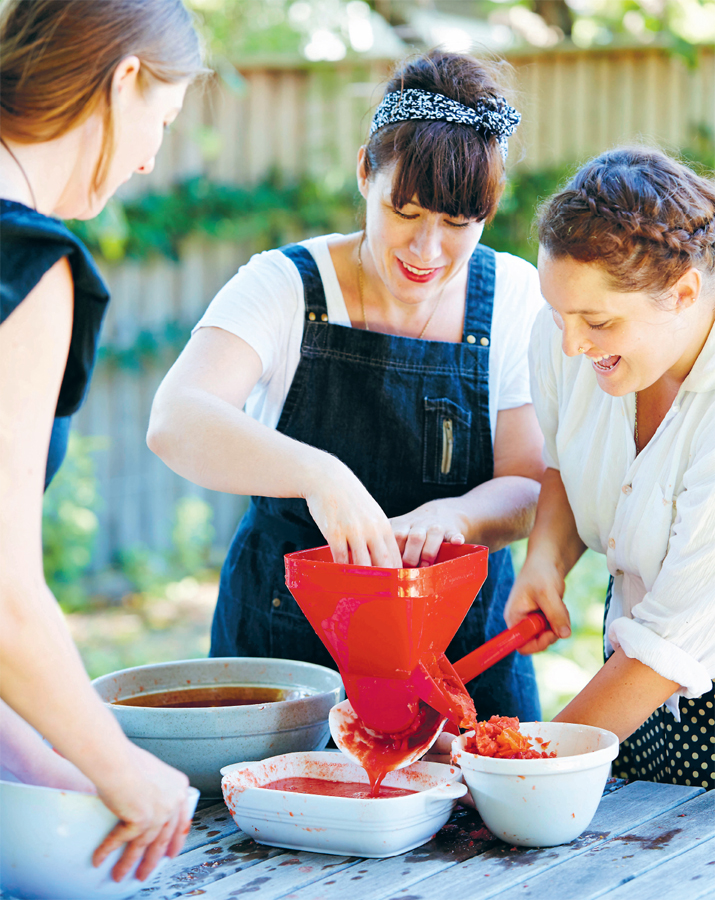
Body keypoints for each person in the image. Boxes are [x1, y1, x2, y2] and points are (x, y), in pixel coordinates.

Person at [148, 50, 546, 722]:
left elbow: (528, 485)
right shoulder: (282, 286)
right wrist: (318, 475)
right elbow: (176, 420)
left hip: (461, 655)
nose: (426, 252)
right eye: (406, 212)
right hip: (286, 646)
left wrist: (456, 517)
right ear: (365, 171)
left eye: (457, 225)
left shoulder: (511, 297)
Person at [0, 0, 205, 882]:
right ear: (123, 81)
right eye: (160, 120)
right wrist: (120, 770)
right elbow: (3, 591)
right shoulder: (26, 263)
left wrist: (49, 757)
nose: (152, 157)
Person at [504, 147, 715, 788]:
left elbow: (670, 646)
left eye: (596, 321)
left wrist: (515, 766)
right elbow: (564, 463)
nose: (571, 344)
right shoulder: (569, 341)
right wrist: (545, 557)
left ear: (683, 293)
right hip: (628, 677)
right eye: (559, 312)